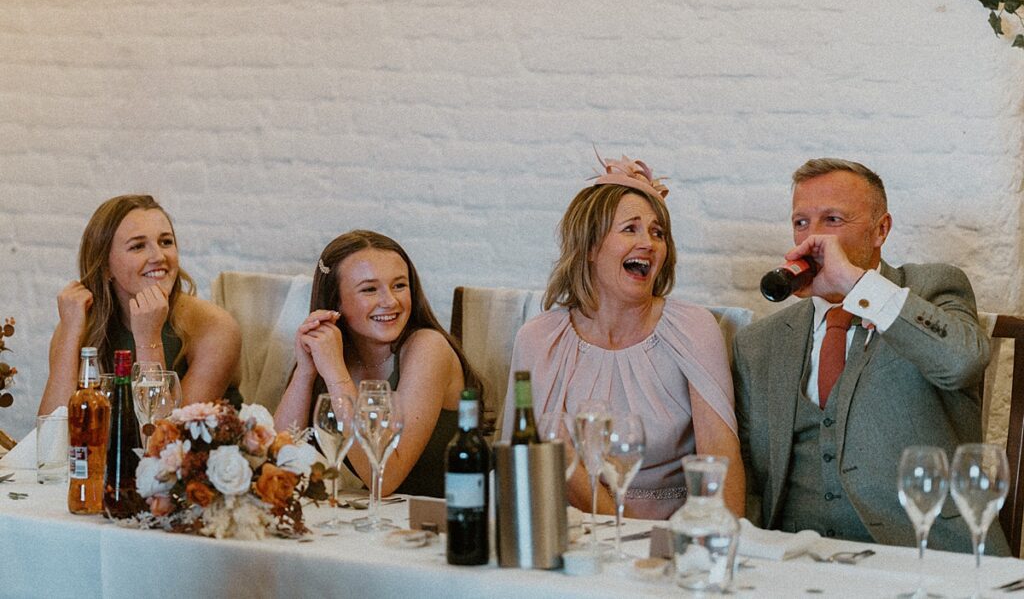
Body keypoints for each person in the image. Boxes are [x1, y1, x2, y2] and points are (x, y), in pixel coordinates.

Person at [733, 158, 1009, 554]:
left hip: (925, 554)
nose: (813, 238)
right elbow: (752, 479)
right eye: (801, 222)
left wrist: (857, 285)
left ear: (881, 230)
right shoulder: (760, 343)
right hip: (795, 561)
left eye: (832, 220)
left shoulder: (931, 289)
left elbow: (963, 362)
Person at [502, 154, 744, 520]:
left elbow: (720, 461)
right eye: (630, 229)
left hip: (672, 544)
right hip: (567, 540)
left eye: (657, 232)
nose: (648, 243)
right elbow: (525, 464)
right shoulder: (538, 339)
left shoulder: (693, 327)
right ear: (589, 248)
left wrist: (719, 551)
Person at [273, 230, 480, 499]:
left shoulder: (428, 347)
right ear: (335, 300)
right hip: (348, 525)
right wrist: (306, 370)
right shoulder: (332, 352)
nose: (390, 301)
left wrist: (335, 374)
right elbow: (275, 458)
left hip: (426, 528)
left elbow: (384, 476)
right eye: (370, 289)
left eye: (399, 285)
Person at [38, 194, 241, 416]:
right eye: (138, 246)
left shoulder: (216, 327)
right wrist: (70, 332)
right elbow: (52, 434)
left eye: (166, 242)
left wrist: (148, 338)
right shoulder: (82, 322)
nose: (158, 256)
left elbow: (164, 438)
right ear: (105, 266)